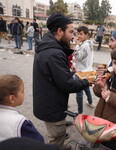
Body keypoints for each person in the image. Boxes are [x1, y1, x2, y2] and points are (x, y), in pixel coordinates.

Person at [33, 13, 90, 150]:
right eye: (70, 32)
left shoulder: (48, 46)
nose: (73, 36)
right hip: (52, 106)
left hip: (48, 102)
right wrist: (86, 81)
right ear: (59, 31)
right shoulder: (54, 52)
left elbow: (57, 75)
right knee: (56, 137)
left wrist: (73, 74)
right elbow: (67, 84)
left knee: (57, 135)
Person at [0, 74, 44, 142]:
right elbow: (38, 142)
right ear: (12, 98)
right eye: (22, 91)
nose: (24, 94)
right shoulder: (21, 122)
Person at [73, 26, 94, 114]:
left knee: (79, 93)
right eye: (78, 34)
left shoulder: (84, 45)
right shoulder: (90, 43)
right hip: (87, 70)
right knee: (86, 87)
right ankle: (90, 102)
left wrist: (77, 45)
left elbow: (77, 56)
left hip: (81, 72)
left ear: (86, 34)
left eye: (81, 34)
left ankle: (80, 112)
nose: (79, 36)